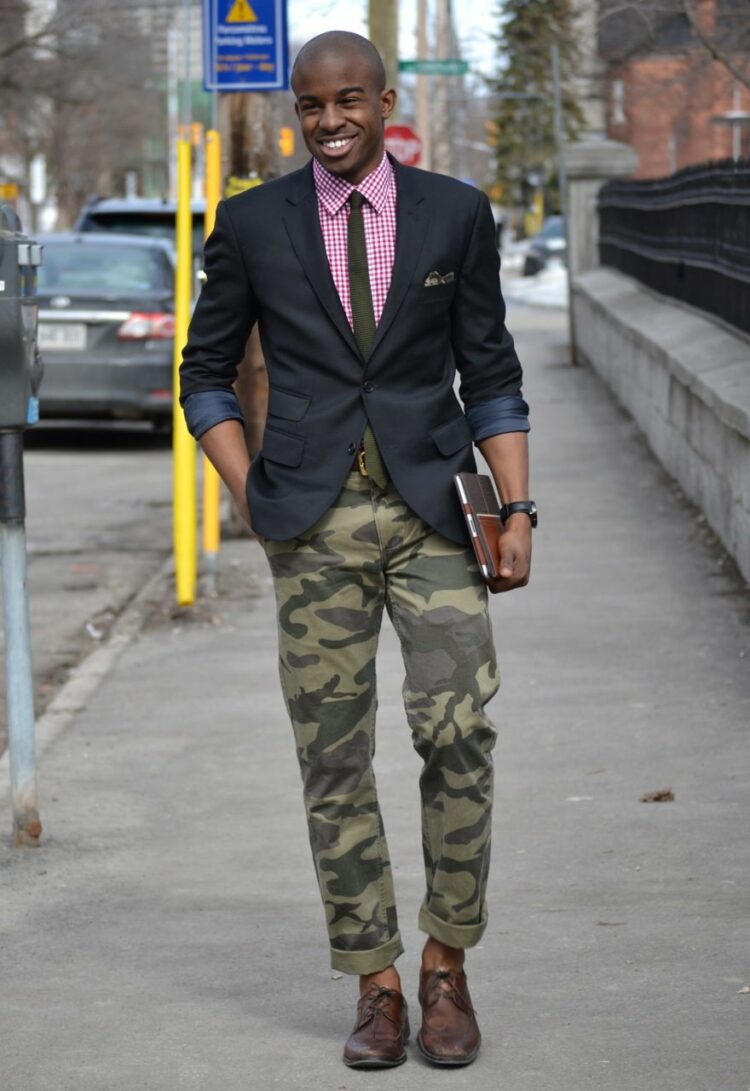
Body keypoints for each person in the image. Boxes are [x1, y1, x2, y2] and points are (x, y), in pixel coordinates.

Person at [180, 30, 534, 1070]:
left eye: (347, 102)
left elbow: (493, 369)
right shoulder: (251, 223)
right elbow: (204, 373)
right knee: (332, 754)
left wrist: (517, 510)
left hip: (434, 510)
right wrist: (249, 490)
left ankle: (446, 963)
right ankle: (376, 979)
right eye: (310, 107)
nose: (328, 122)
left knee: (458, 731)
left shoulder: (454, 214)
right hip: (312, 518)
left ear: (384, 101)